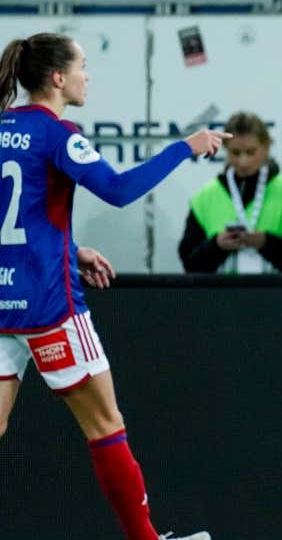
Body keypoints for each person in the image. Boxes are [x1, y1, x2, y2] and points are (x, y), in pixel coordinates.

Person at [0, 33, 225, 540]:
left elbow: (14, 214)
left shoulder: (2, 128)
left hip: (2, 304)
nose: (88, 75)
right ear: (57, 78)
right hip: (48, 307)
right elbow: (120, 190)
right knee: (105, 425)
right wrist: (184, 148)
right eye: (82, 65)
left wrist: (70, 249)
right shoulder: (58, 133)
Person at [178, 111, 282, 274]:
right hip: (219, 298)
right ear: (224, 148)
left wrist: (266, 243)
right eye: (235, 152)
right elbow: (189, 263)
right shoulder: (204, 199)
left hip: (279, 297)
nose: (243, 161)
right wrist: (216, 245)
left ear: (266, 147)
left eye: (250, 152)